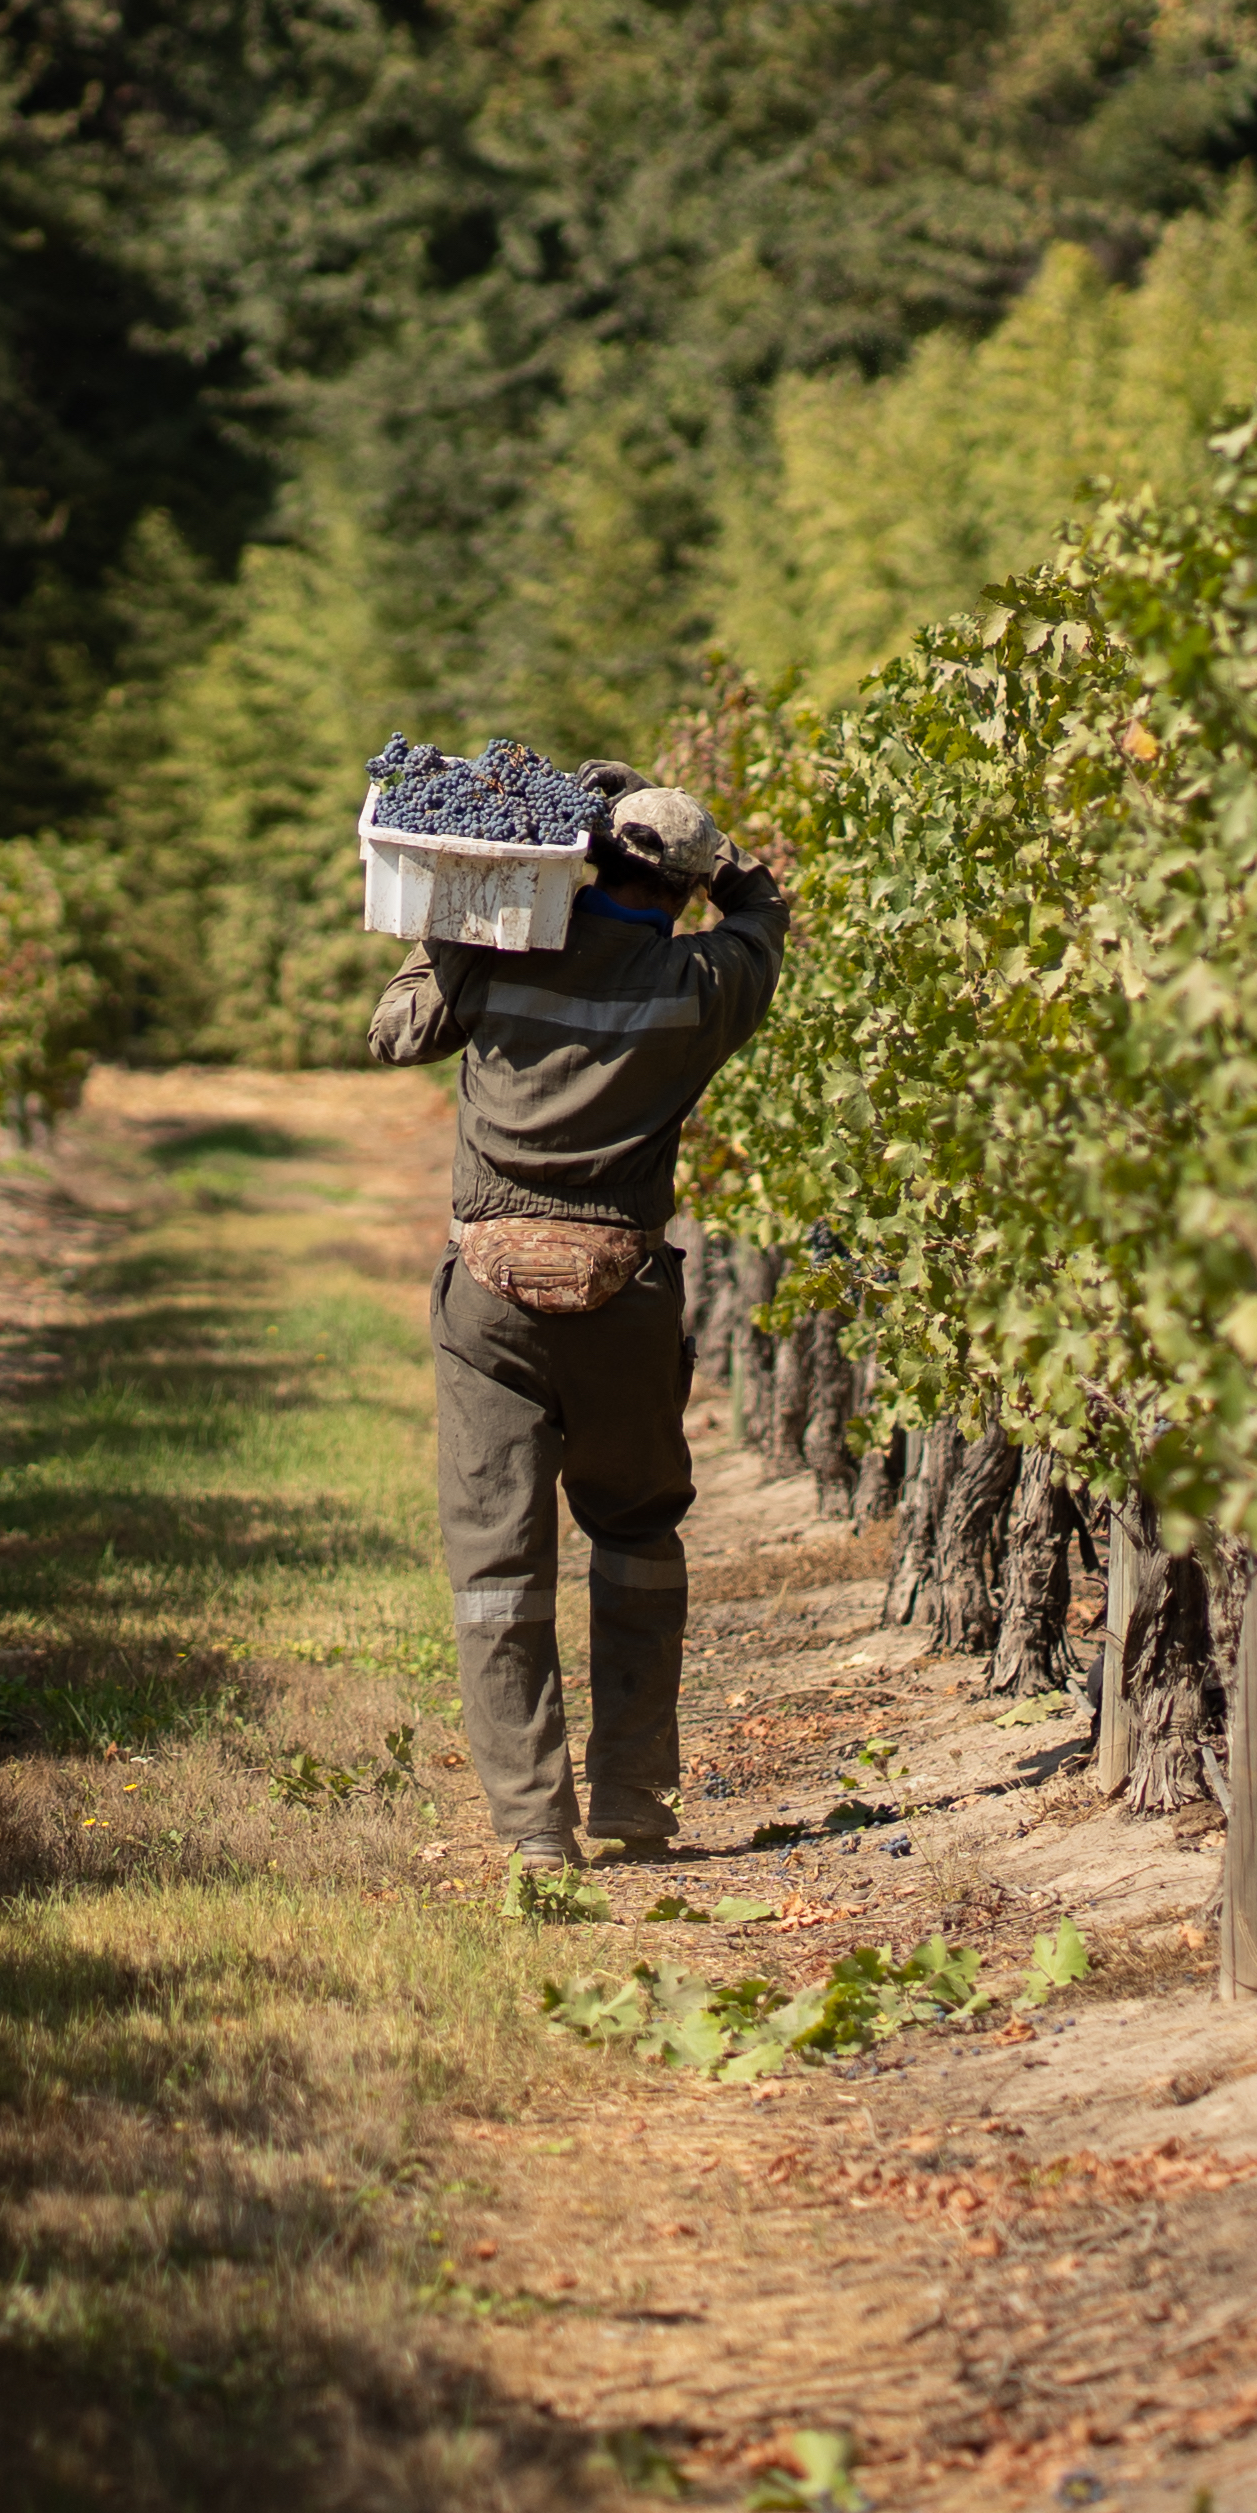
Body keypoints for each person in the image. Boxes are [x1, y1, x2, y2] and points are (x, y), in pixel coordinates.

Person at [366, 767, 787, 1870]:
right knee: (640, 1532)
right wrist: (722, 857)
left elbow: (396, 1034)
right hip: (624, 1301)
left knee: (498, 1566)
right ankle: (636, 1800)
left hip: (490, 1304)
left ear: (589, 858)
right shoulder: (705, 981)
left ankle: (533, 1828)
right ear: (685, 893)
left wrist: (454, 921)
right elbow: (764, 913)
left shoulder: (503, 956)